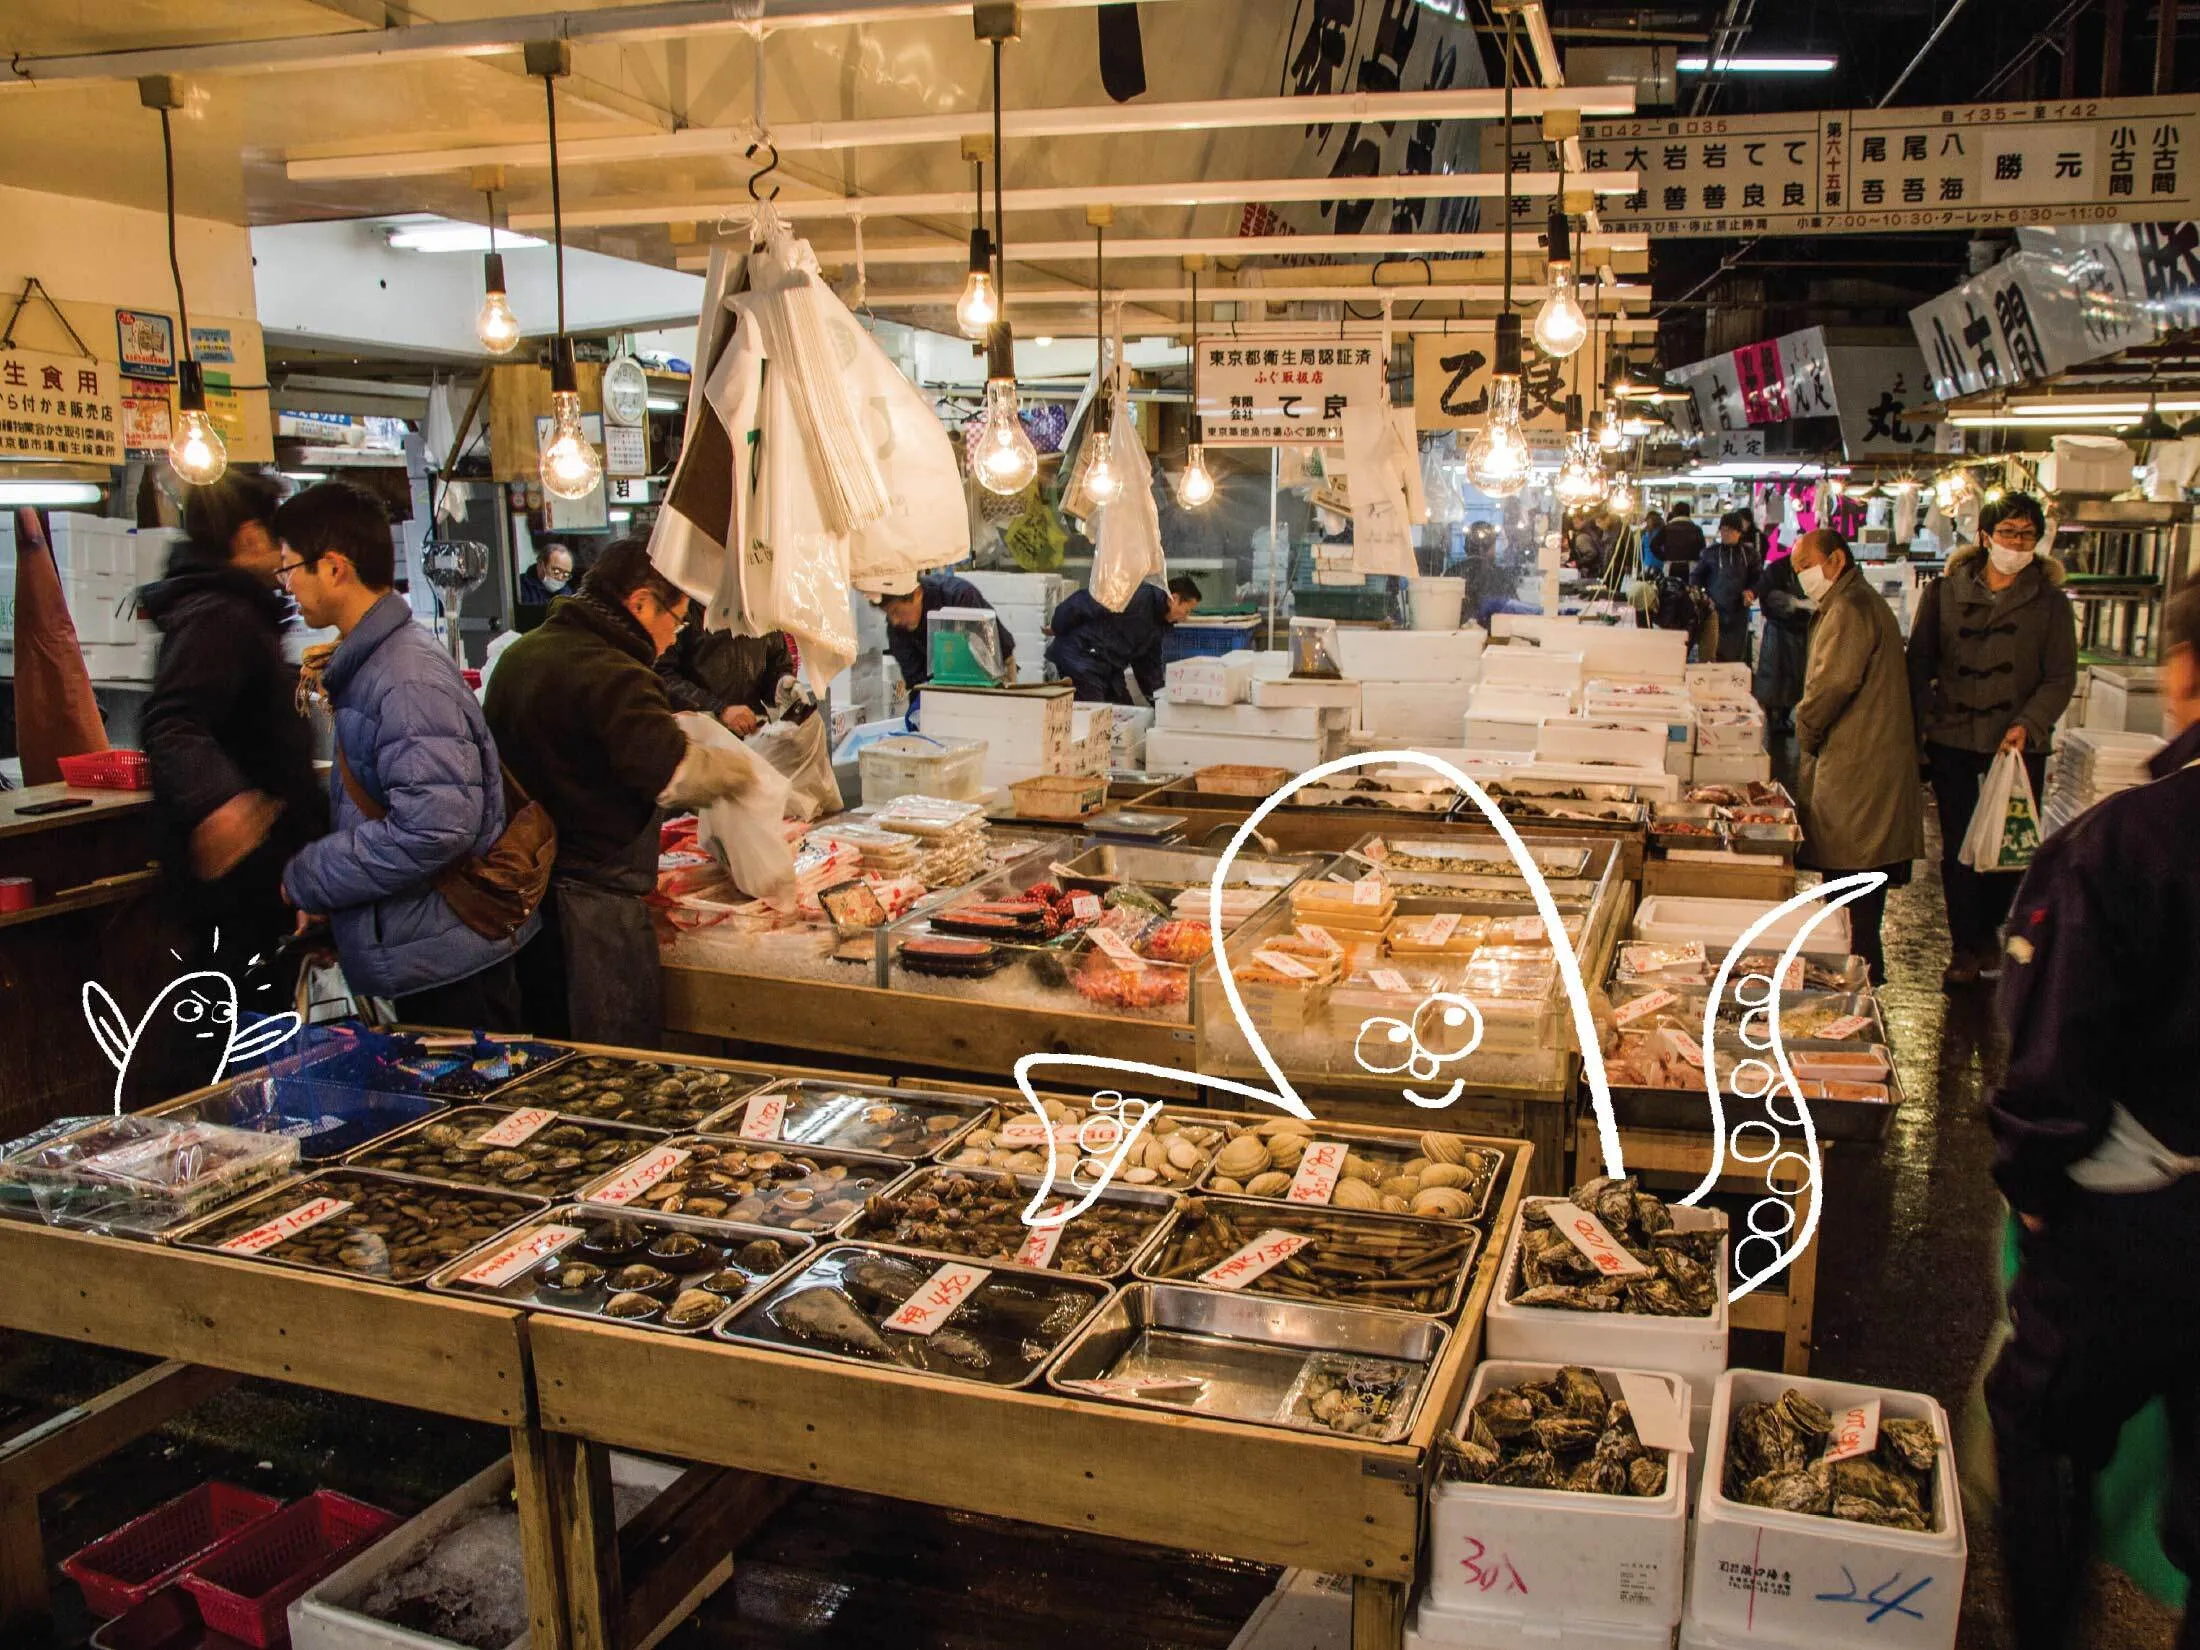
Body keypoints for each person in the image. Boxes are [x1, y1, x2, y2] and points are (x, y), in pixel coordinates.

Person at [1985, 584, 2200, 1650]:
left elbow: (2050, 1063)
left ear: (2183, 673)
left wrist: (2028, 1194)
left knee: (2041, 1428)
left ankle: (2043, 1633)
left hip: (2130, 1230)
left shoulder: (2128, 842)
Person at [487, 537, 764, 1048]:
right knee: (607, 1066)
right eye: (676, 621)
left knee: (546, 1055)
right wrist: (743, 773)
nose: (673, 638)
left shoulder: (521, 654)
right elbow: (673, 773)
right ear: (639, 603)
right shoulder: (617, 672)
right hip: (591, 914)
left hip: (520, 910)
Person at [274, 481, 532, 1028]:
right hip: (429, 951)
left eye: (290, 568)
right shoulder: (375, 664)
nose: (287, 584)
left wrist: (313, 875)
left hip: (452, 970)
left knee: (474, 1113)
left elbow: (436, 826)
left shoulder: (402, 678)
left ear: (335, 567)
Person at [140, 472, 328, 991]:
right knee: (232, 1034)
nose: (287, 557)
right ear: (249, 537)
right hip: (237, 887)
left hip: (260, 879)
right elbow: (171, 719)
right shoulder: (220, 614)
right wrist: (220, 803)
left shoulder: (235, 610)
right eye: (279, 540)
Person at [1906, 491, 2077, 989]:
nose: (2017, 543)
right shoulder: (1944, 592)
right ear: (1984, 536)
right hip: (1955, 738)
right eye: (2008, 533)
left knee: (2009, 850)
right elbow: (1920, 661)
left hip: (2020, 747)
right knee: (1960, 850)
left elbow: (2059, 676)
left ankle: (1988, 931)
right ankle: (1964, 946)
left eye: (2027, 535)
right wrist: (1923, 724)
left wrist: (2030, 723)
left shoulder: (2050, 604)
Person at [1789, 527, 1923, 985]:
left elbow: (1833, 683)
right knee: (1854, 880)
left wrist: (1803, 727)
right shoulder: (1850, 602)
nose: (1802, 577)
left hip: (1859, 764)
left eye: (1806, 566)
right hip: (1863, 758)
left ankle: (1857, 978)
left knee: (1854, 878)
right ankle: (1855, 971)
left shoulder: (1849, 607)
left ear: (1836, 561)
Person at [1046, 575, 1202, 704]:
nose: (1186, 617)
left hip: (1109, 666)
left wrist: (1161, 702)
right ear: (1173, 599)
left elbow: (1147, 668)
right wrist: (1058, 626)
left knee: (1126, 709)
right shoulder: (1135, 596)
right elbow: (1085, 601)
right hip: (1081, 656)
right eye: (1187, 610)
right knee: (1097, 717)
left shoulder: (1158, 625)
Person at [859, 570, 1015, 693]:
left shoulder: (959, 597)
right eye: (888, 614)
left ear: (917, 594)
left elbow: (1001, 654)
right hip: (939, 690)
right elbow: (916, 684)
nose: (894, 621)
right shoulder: (897, 630)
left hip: (991, 677)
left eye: (896, 611)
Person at [657, 608, 795, 738]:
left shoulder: (761, 607)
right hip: (700, 736)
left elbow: (776, 663)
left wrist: (782, 685)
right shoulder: (686, 606)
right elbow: (662, 675)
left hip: (753, 730)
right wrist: (719, 710)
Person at [1751, 551, 1812, 739]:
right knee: (1774, 676)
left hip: (1801, 630)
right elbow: (1767, 595)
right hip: (1778, 628)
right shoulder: (1778, 569)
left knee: (1795, 677)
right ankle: (1775, 718)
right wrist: (1791, 604)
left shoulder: (1808, 570)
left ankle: (1785, 717)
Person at [1693, 509, 1763, 665]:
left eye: (1730, 531)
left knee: (1735, 654)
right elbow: (1697, 577)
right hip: (1713, 610)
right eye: (1723, 530)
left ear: (1739, 532)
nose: (1726, 534)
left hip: (1738, 611)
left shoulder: (1750, 554)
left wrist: (1751, 592)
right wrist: (1700, 596)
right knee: (1711, 651)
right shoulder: (1710, 553)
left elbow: (1758, 578)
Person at [1648, 499, 1705, 572]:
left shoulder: (1666, 529)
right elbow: (1703, 549)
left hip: (1670, 566)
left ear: (1674, 513)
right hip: (1691, 567)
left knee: (1670, 583)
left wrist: (1664, 557)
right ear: (1688, 514)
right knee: (1690, 584)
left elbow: (1653, 545)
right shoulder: (1696, 529)